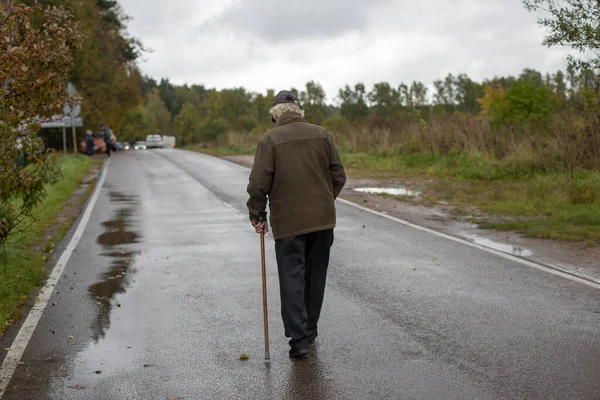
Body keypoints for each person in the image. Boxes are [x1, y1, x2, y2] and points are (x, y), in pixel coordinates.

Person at [246, 90, 346, 359]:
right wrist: (325, 200)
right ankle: (310, 330)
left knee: (292, 278)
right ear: (299, 111)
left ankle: (299, 340)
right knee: (315, 277)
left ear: (276, 114)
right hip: (323, 221)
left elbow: (258, 183)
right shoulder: (322, 134)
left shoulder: (270, 140)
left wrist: (257, 212)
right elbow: (339, 175)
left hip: (289, 224)